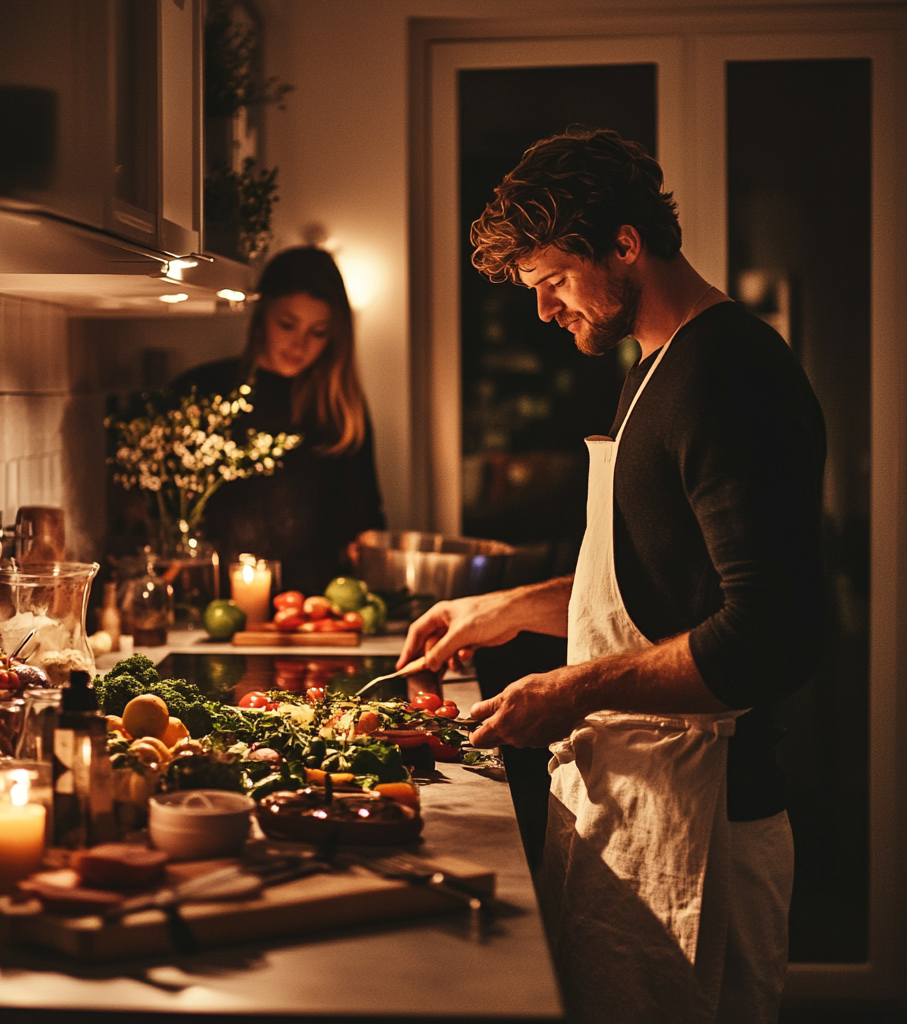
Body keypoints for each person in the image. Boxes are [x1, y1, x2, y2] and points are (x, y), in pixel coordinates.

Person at [399, 128, 826, 1023]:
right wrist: (503, 610)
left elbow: (771, 632)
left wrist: (571, 690)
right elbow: (649, 587)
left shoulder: (732, 374)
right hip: (638, 800)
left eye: (554, 283)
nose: (546, 312)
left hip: (706, 824)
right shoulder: (654, 369)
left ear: (625, 244)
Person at [172, 247, 385, 596]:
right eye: (287, 324)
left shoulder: (340, 408)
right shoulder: (203, 391)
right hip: (215, 608)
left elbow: (365, 516)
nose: (299, 345)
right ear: (261, 315)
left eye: (318, 332)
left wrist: (365, 550)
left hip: (316, 612)